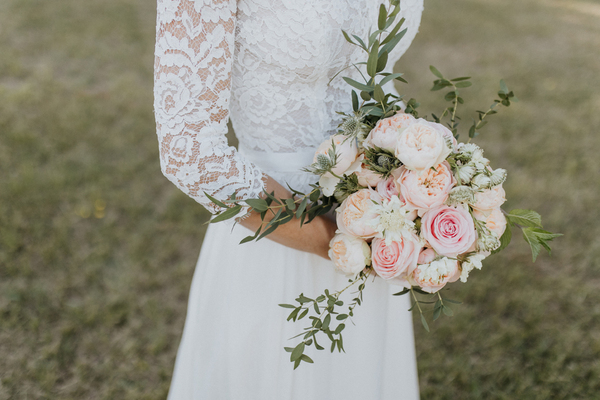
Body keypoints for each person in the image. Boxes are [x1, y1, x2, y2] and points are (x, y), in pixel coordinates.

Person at [154, 0, 423, 398]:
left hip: (380, 219)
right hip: (275, 231)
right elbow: (188, 151)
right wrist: (338, 242)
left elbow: (376, 74)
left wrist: (421, 177)